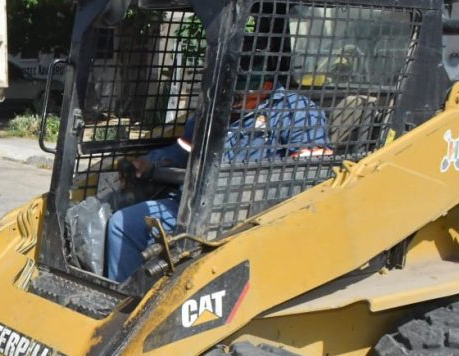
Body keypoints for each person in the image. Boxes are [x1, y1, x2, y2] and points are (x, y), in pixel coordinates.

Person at [105, 76, 332, 282]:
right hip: (192, 205)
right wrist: (151, 162)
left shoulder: (296, 111)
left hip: (246, 216)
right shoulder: (215, 106)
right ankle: (127, 307)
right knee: (122, 225)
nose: (232, 98)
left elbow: (308, 175)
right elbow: (183, 151)